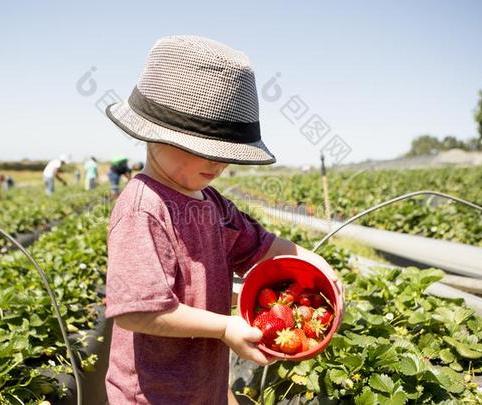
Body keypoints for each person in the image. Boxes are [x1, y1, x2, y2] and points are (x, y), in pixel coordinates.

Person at [103, 35, 344, 405]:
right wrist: (225, 327)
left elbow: (262, 246)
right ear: (154, 136)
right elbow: (139, 312)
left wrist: (318, 266)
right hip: (152, 395)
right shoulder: (143, 209)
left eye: (226, 154)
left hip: (203, 385)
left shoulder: (213, 203)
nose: (217, 164)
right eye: (203, 150)